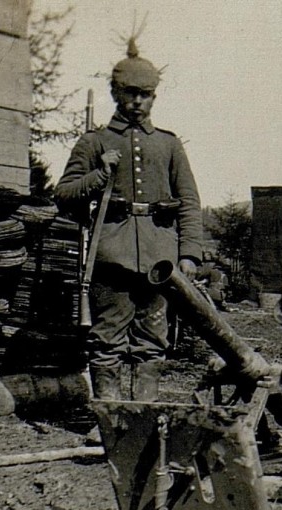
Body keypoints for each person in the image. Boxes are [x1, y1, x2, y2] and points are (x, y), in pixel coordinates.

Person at [55, 39, 206, 405]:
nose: (138, 101)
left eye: (146, 94)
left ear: (155, 97)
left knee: (152, 340)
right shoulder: (94, 142)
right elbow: (63, 194)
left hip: (159, 259)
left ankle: (144, 416)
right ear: (115, 92)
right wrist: (99, 176)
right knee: (106, 340)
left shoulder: (169, 146)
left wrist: (189, 254)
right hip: (111, 257)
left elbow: (188, 201)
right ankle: (109, 418)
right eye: (130, 93)